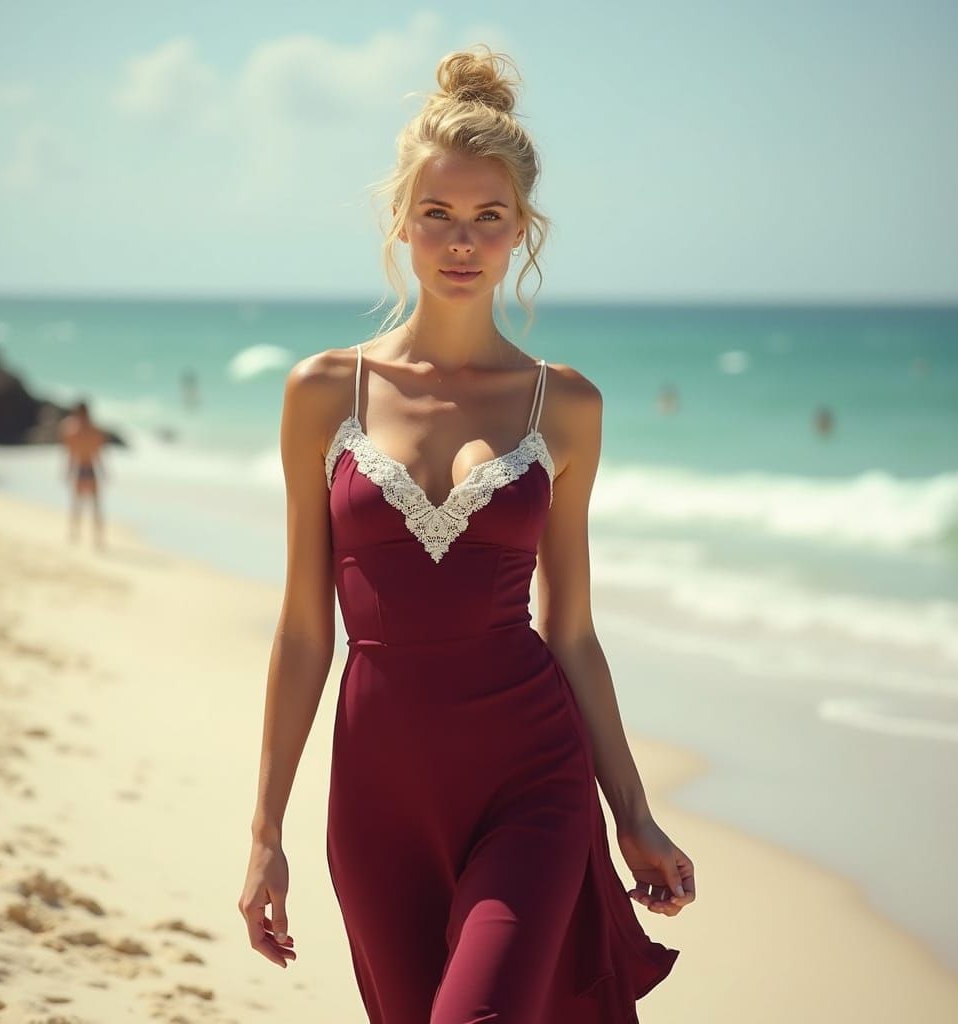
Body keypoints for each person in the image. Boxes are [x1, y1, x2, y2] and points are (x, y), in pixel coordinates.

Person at [238, 46, 694, 1023]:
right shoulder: (324, 391)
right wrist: (265, 830)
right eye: (438, 212)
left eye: (490, 217)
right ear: (401, 221)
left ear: (521, 229)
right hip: (378, 792)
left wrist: (633, 812)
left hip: (532, 775)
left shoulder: (564, 404)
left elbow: (570, 629)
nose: (462, 240)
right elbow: (306, 628)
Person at [58, 398, 107, 549]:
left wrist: (67, 472)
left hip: (80, 470)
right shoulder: (95, 430)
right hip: (91, 469)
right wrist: (104, 472)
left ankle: (75, 535)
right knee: (95, 506)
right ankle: (97, 539)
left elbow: (71, 455)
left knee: (77, 505)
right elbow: (98, 455)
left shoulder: (72, 431)